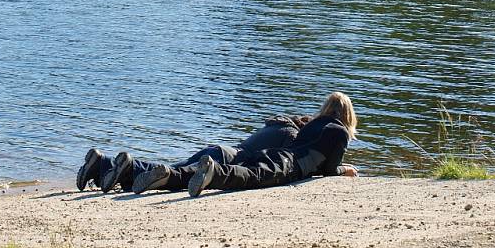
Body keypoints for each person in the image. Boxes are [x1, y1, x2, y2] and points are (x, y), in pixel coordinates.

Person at [136, 91, 358, 198]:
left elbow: (308, 149)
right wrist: (344, 169)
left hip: (276, 153)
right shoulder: (340, 133)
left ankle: (170, 175)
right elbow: (329, 169)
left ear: (326, 107)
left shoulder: (313, 124)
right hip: (291, 166)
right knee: (252, 177)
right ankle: (214, 173)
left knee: (250, 168)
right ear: (349, 116)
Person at [76, 114, 310, 194]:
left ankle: (103, 163)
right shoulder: (291, 135)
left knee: (173, 168)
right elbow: (277, 162)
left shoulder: (275, 125)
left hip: (218, 149)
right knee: (174, 174)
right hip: (225, 159)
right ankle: (127, 167)